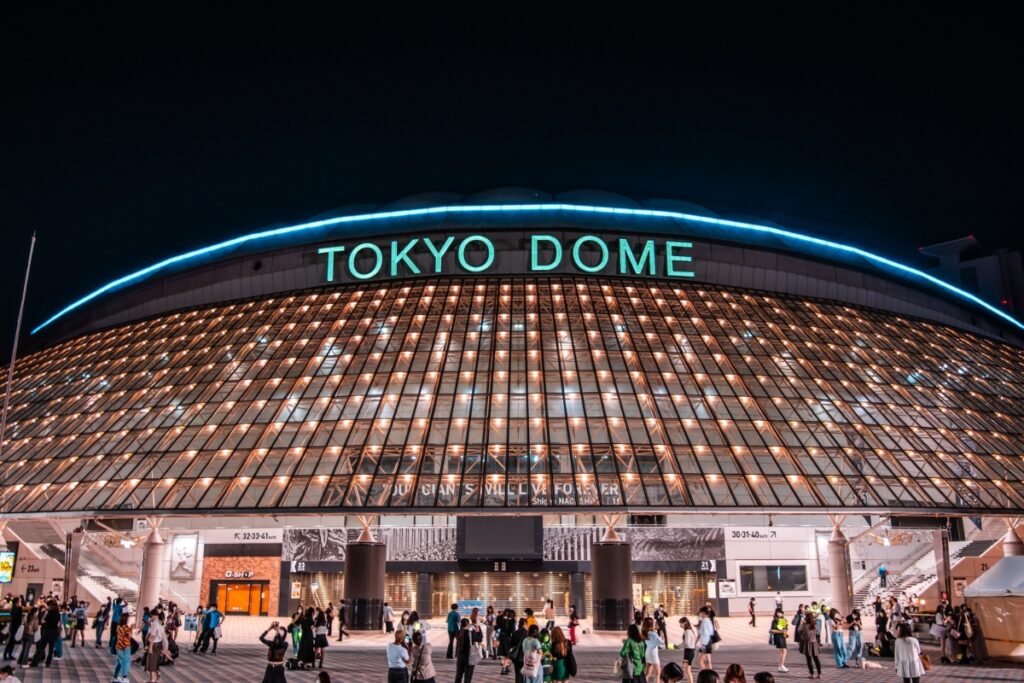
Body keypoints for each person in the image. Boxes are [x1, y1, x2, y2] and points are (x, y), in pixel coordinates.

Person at [30, 600, 61, 668]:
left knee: (41, 647)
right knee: (51, 649)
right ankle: (48, 663)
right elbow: (58, 624)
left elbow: (43, 621)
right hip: (54, 632)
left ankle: (35, 662)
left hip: (48, 631)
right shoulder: (58, 614)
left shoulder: (48, 613)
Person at [454, 616, 483, 683]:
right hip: (469, 657)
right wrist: (478, 630)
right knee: (468, 676)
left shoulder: (459, 632)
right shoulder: (471, 633)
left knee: (459, 675)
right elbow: (479, 639)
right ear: (468, 624)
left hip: (460, 657)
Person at [144, 610, 166, 683]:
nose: (151, 617)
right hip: (159, 644)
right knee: (155, 661)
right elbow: (162, 636)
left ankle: (153, 679)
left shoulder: (154, 623)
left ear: (155, 615)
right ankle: (153, 678)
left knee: (151, 662)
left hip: (154, 644)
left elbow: (153, 636)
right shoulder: (161, 623)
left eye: (152, 616)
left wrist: (150, 647)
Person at [798, 614, 821, 679]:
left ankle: (812, 674)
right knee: (816, 659)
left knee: (809, 659)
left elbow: (799, 631)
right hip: (815, 643)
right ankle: (819, 674)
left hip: (807, 644)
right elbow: (817, 633)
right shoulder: (815, 625)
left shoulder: (804, 626)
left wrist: (801, 623)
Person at [643, 616, 663, 683]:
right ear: (651, 624)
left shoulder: (645, 633)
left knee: (647, 673)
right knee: (657, 674)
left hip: (648, 653)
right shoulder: (654, 634)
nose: (655, 624)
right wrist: (661, 635)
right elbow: (661, 642)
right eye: (654, 623)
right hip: (653, 654)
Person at [112, 613, 132, 683]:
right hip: (124, 647)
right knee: (125, 662)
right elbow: (124, 638)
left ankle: (116, 675)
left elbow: (126, 636)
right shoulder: (123, 627)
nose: (129, 619)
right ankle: (124, 677)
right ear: (125, 619)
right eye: (128, 618)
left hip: (122, 646)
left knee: (120, 661)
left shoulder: (122, 627)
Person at [769, 608, 789, 673]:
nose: (779, 614)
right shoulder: (775, 620)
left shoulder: (784, 620)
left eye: (780, 612)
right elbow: (772, 630)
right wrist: (781, 631)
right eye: (778, 612)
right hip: (778, 637)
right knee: (784, 651)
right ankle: (781, 665)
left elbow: (785, 629)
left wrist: (785, 632)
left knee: (781, 651)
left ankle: (780, 666)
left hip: (783, 637)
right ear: (776, 613)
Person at [678, 617, 697, 683]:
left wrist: (679, 647)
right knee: (687, 670)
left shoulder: (687, 631)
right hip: (689, 651)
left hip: (689, 652)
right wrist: (678, 646)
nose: (680, 625)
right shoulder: (689, 630)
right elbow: (686, 642)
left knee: (687, 670)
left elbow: (687, 643)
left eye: (681, 623)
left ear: (685, 623)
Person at [697, 607, 715, 671]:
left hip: (705, 643)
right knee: (708, 660)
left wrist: (698, 643)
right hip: (709, 641)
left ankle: (705, 674)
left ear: (704, 613)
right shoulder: (709, 620)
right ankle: (710, 674)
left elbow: (701, 633)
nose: (700, 614)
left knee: (700, 661)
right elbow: (711, 632)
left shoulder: (704, 621)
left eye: (701, 612)